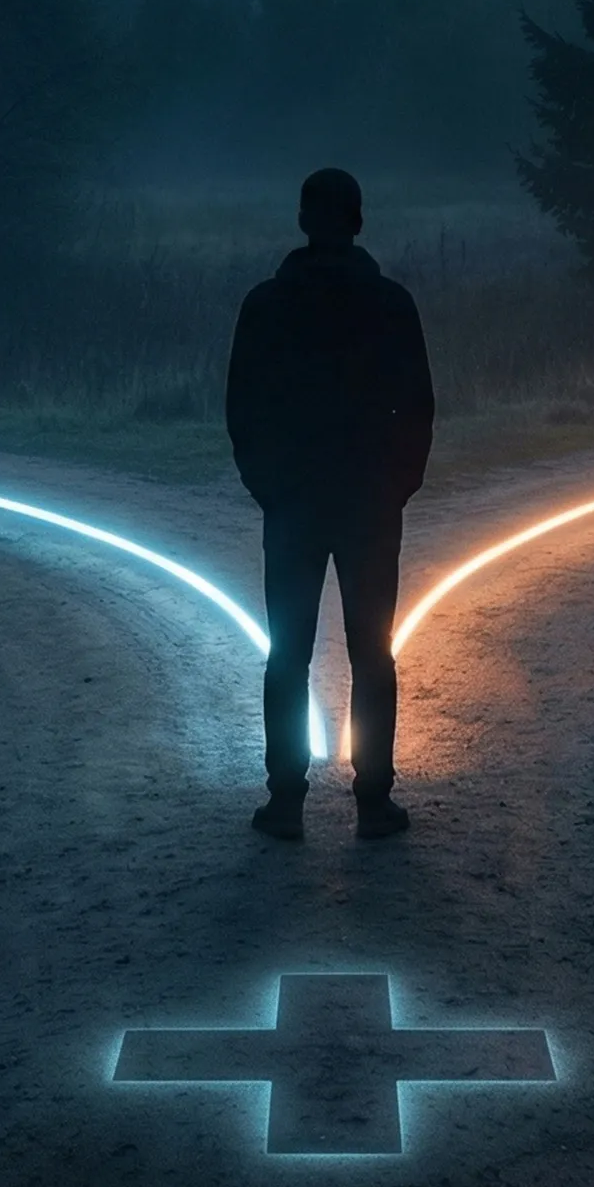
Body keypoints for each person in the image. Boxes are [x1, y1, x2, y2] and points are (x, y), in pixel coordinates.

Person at [226, 168, 435, 841]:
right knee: (372, 652)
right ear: (358, 220)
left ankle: (286, 800)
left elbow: (243, 407)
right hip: (370, 502)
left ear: (302, 220)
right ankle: (373, 800)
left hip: (293, 502)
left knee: (288, 652)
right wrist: (397, 483)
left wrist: (268, 485)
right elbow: (419, 406)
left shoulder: (266, 304)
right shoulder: (391, 304)